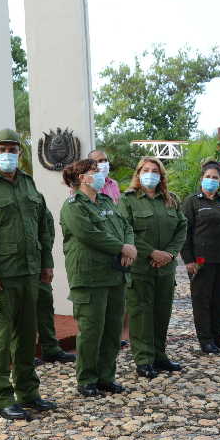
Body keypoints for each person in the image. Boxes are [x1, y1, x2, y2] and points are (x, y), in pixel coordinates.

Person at [0, 128, 57, 421]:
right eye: (2, 149)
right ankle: (3, 397)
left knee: (27, 337)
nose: (8, 154)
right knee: (0, 340)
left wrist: (46, 262)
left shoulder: (29, 185)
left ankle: (29, 393)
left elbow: (44, 225)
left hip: (30, 274)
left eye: (13, 149)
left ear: (20, 153)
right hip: (1, 278)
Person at [60, 159, 135, 397]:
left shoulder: (106, 201)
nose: (100, 173)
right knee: (92, 331)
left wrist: (129, 246)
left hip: (114, 274)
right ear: (82, 177)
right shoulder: (73, 206)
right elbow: (89, 234)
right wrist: (121, 248)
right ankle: (87, 379)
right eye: (94, 171)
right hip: (89, 276)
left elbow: (126, 227)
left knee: (113, 331)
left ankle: (106, 377)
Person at [118, 158, 187, 379]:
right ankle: (144, 359)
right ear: (138, 174)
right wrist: (152, 252)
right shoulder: (127, 200)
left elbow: (182, 227)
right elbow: (125, 231)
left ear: (161, 175)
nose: (150, 174)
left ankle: (159, 355)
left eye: (155, 171)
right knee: (141, 315)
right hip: (140, 268)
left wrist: (170, 254)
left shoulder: (171, 200)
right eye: (146, 170)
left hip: (166, 268)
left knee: (161, 313)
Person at [181, 161, 220, 355]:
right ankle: (206, 341)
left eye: (215, 178)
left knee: (219, 300)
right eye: (208, 177)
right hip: (201, 260)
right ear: (202, 179)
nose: (211, 180)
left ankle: (219, 338)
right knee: (202, 300)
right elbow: (185, 232)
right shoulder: (192, 202)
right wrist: (189, 260)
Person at [88, 149, 130, 348]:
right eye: (98, 161)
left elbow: (120, 216)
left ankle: (121, 335)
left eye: (105, 160)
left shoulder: (113, 185)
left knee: (121, 295)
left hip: (120, 244)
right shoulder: (84, 186)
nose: (103, 164)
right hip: (101, 248)